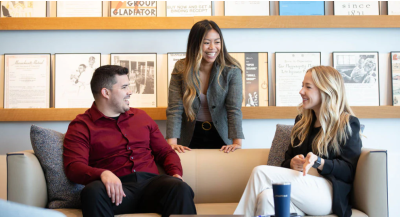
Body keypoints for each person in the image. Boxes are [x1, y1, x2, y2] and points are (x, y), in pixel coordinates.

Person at [63, 65, 196, 217]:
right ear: (105, 92)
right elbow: (73, 167)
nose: (130, 92)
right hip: (114, 191)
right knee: (92, 192)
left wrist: (176, 174)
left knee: (180, 188)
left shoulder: (142, 117)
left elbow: (165, 152)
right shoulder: (81, 125)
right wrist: (103, 174)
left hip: (151, 186)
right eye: (124, 87)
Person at [234, 66, 362, 217]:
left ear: (326, 90)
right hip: (301, 190)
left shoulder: (347, 123)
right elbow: (286, 161)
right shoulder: (301, 122)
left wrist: (320, 162)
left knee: (260, 172)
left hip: (328, 194)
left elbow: (349, 170)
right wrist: (291, 163)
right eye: (302, 86)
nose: (301, 91)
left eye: (308, 87)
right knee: (267, 197)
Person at [166, 20, 244, 153]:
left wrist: (237, 142)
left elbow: (234, 109)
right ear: (195, 44)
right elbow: (175, 108)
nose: (213, 47)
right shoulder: (181, 68)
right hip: (189, 135)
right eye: (206, 42)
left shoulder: (231, 70)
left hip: (220, 135)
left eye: (217, 42)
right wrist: (172, 143)